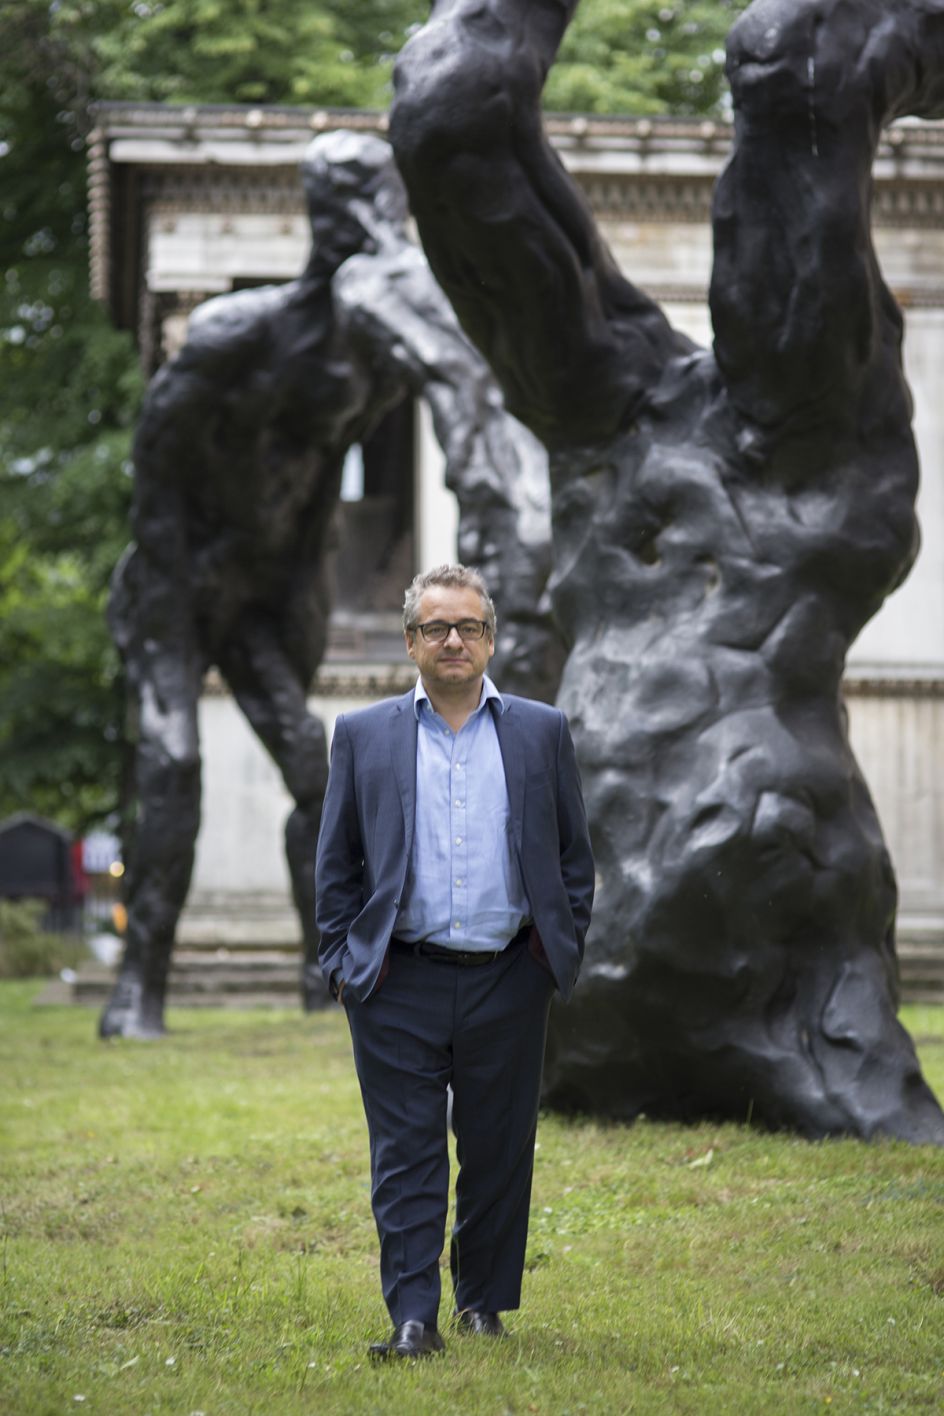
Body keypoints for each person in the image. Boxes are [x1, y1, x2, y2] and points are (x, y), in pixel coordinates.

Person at [315, 563, 595, 1357]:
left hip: (509, 975)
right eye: (435, 627)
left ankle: (482, 1300)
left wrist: (552, 953)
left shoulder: (541, 731)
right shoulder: (364, 735)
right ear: (411, 641)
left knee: (499, 1149)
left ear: (490, 639)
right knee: (404, 1154)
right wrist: (344, 964)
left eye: (468, 627)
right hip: (397, 980)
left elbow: (573, 859)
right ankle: (413, 1318)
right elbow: (336, 865)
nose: (453, 641)